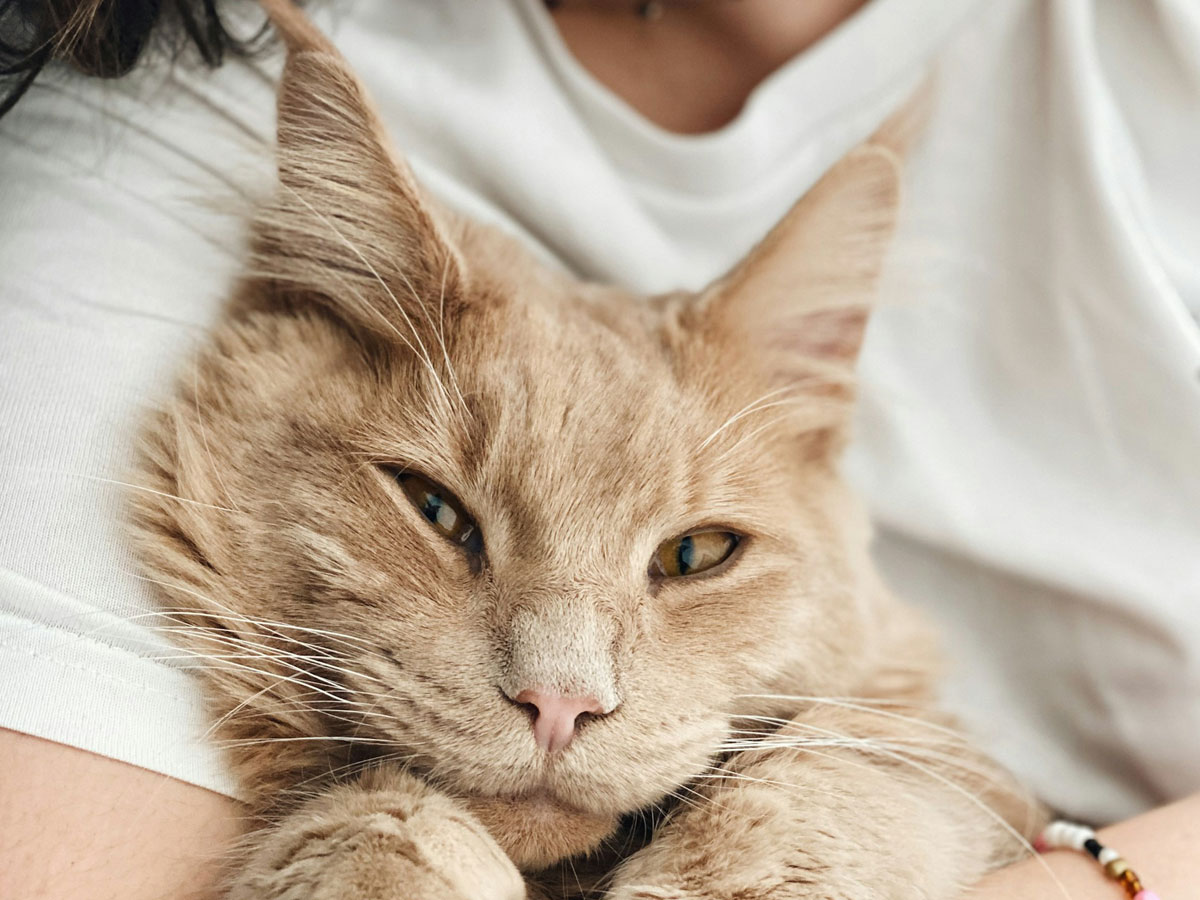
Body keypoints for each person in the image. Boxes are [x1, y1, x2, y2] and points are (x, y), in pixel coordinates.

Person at [1, 1, 1198, 898]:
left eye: (697, 553)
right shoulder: (160, 129)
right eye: (441, 513)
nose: (564, 685)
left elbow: (922, 757)